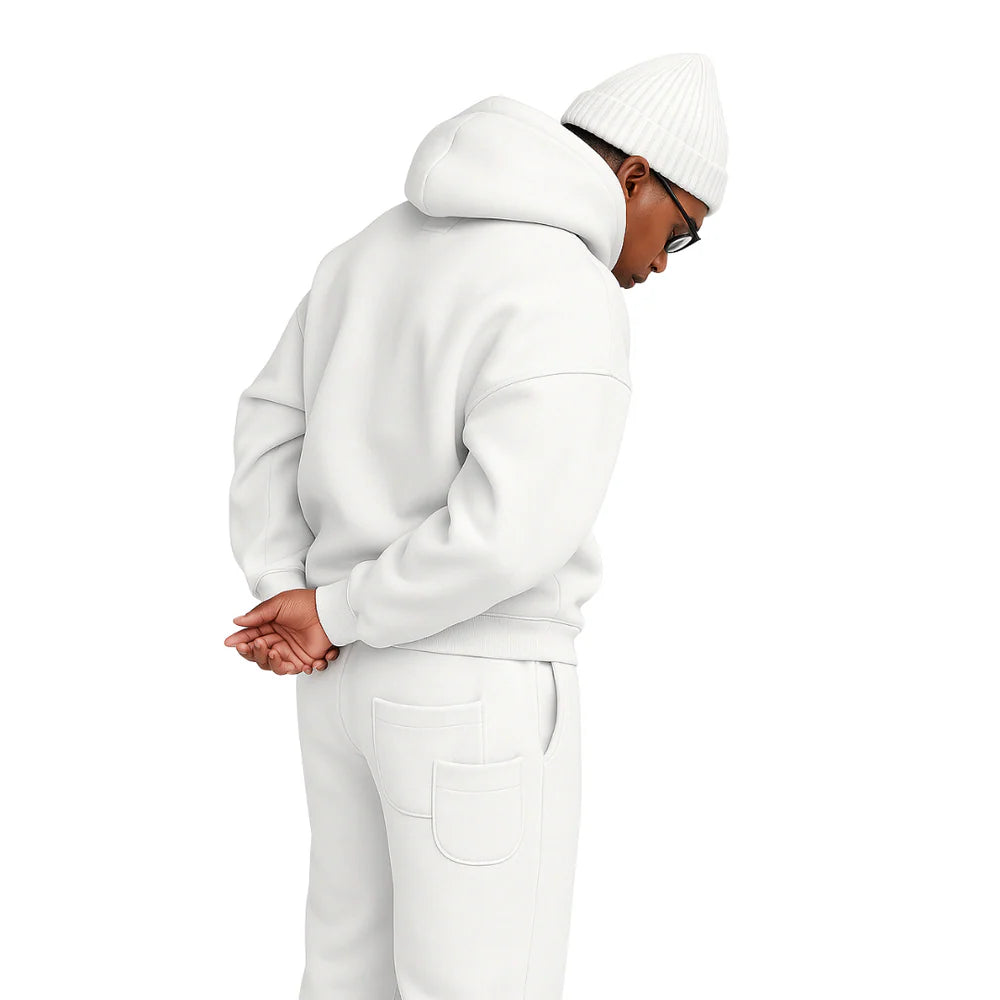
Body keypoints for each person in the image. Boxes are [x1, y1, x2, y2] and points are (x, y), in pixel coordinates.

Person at [224, 51, 728, 1000]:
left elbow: (270, 424)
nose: (663, 261)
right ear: (632, 175)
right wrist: (329, 612)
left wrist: (292, 590)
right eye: (680, 230)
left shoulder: (366, 251)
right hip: (475, 683)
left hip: (338, 686)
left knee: (345, 974)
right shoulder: (565, 286)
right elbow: (513, 531)